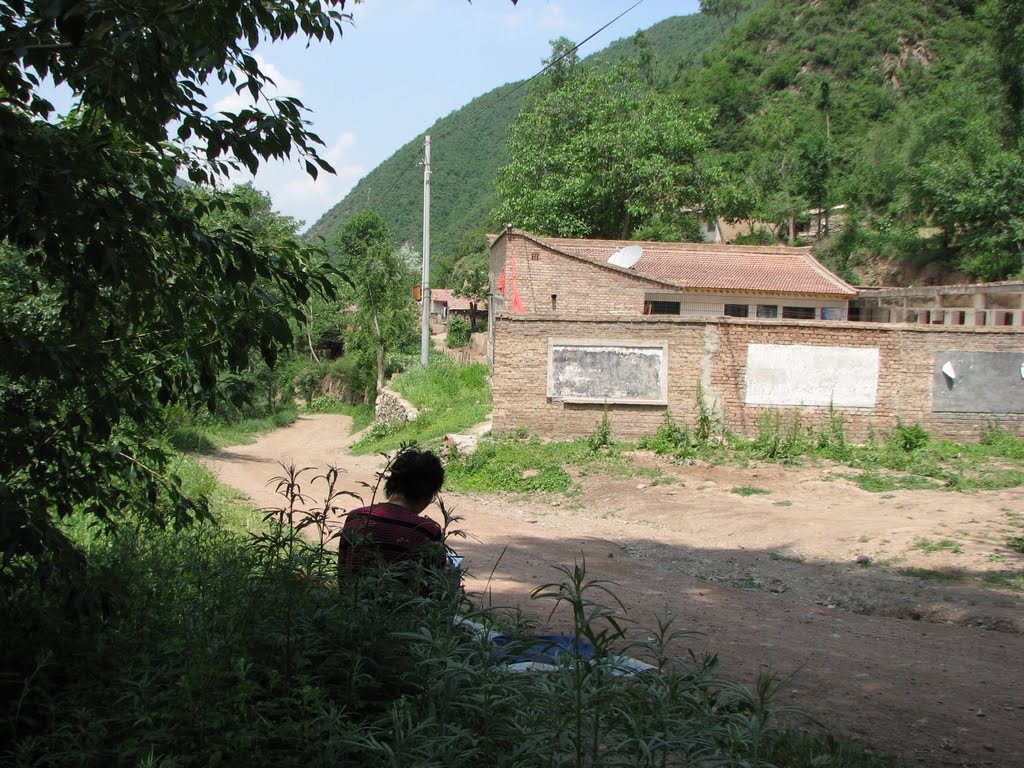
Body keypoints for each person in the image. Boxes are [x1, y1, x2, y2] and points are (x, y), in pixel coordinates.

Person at [339, 447, 447, 581]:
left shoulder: (355, 518)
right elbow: (434, 588)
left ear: (391, 483)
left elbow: (343, 575)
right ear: (430, 493)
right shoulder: (428, 532)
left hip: (352, 601)